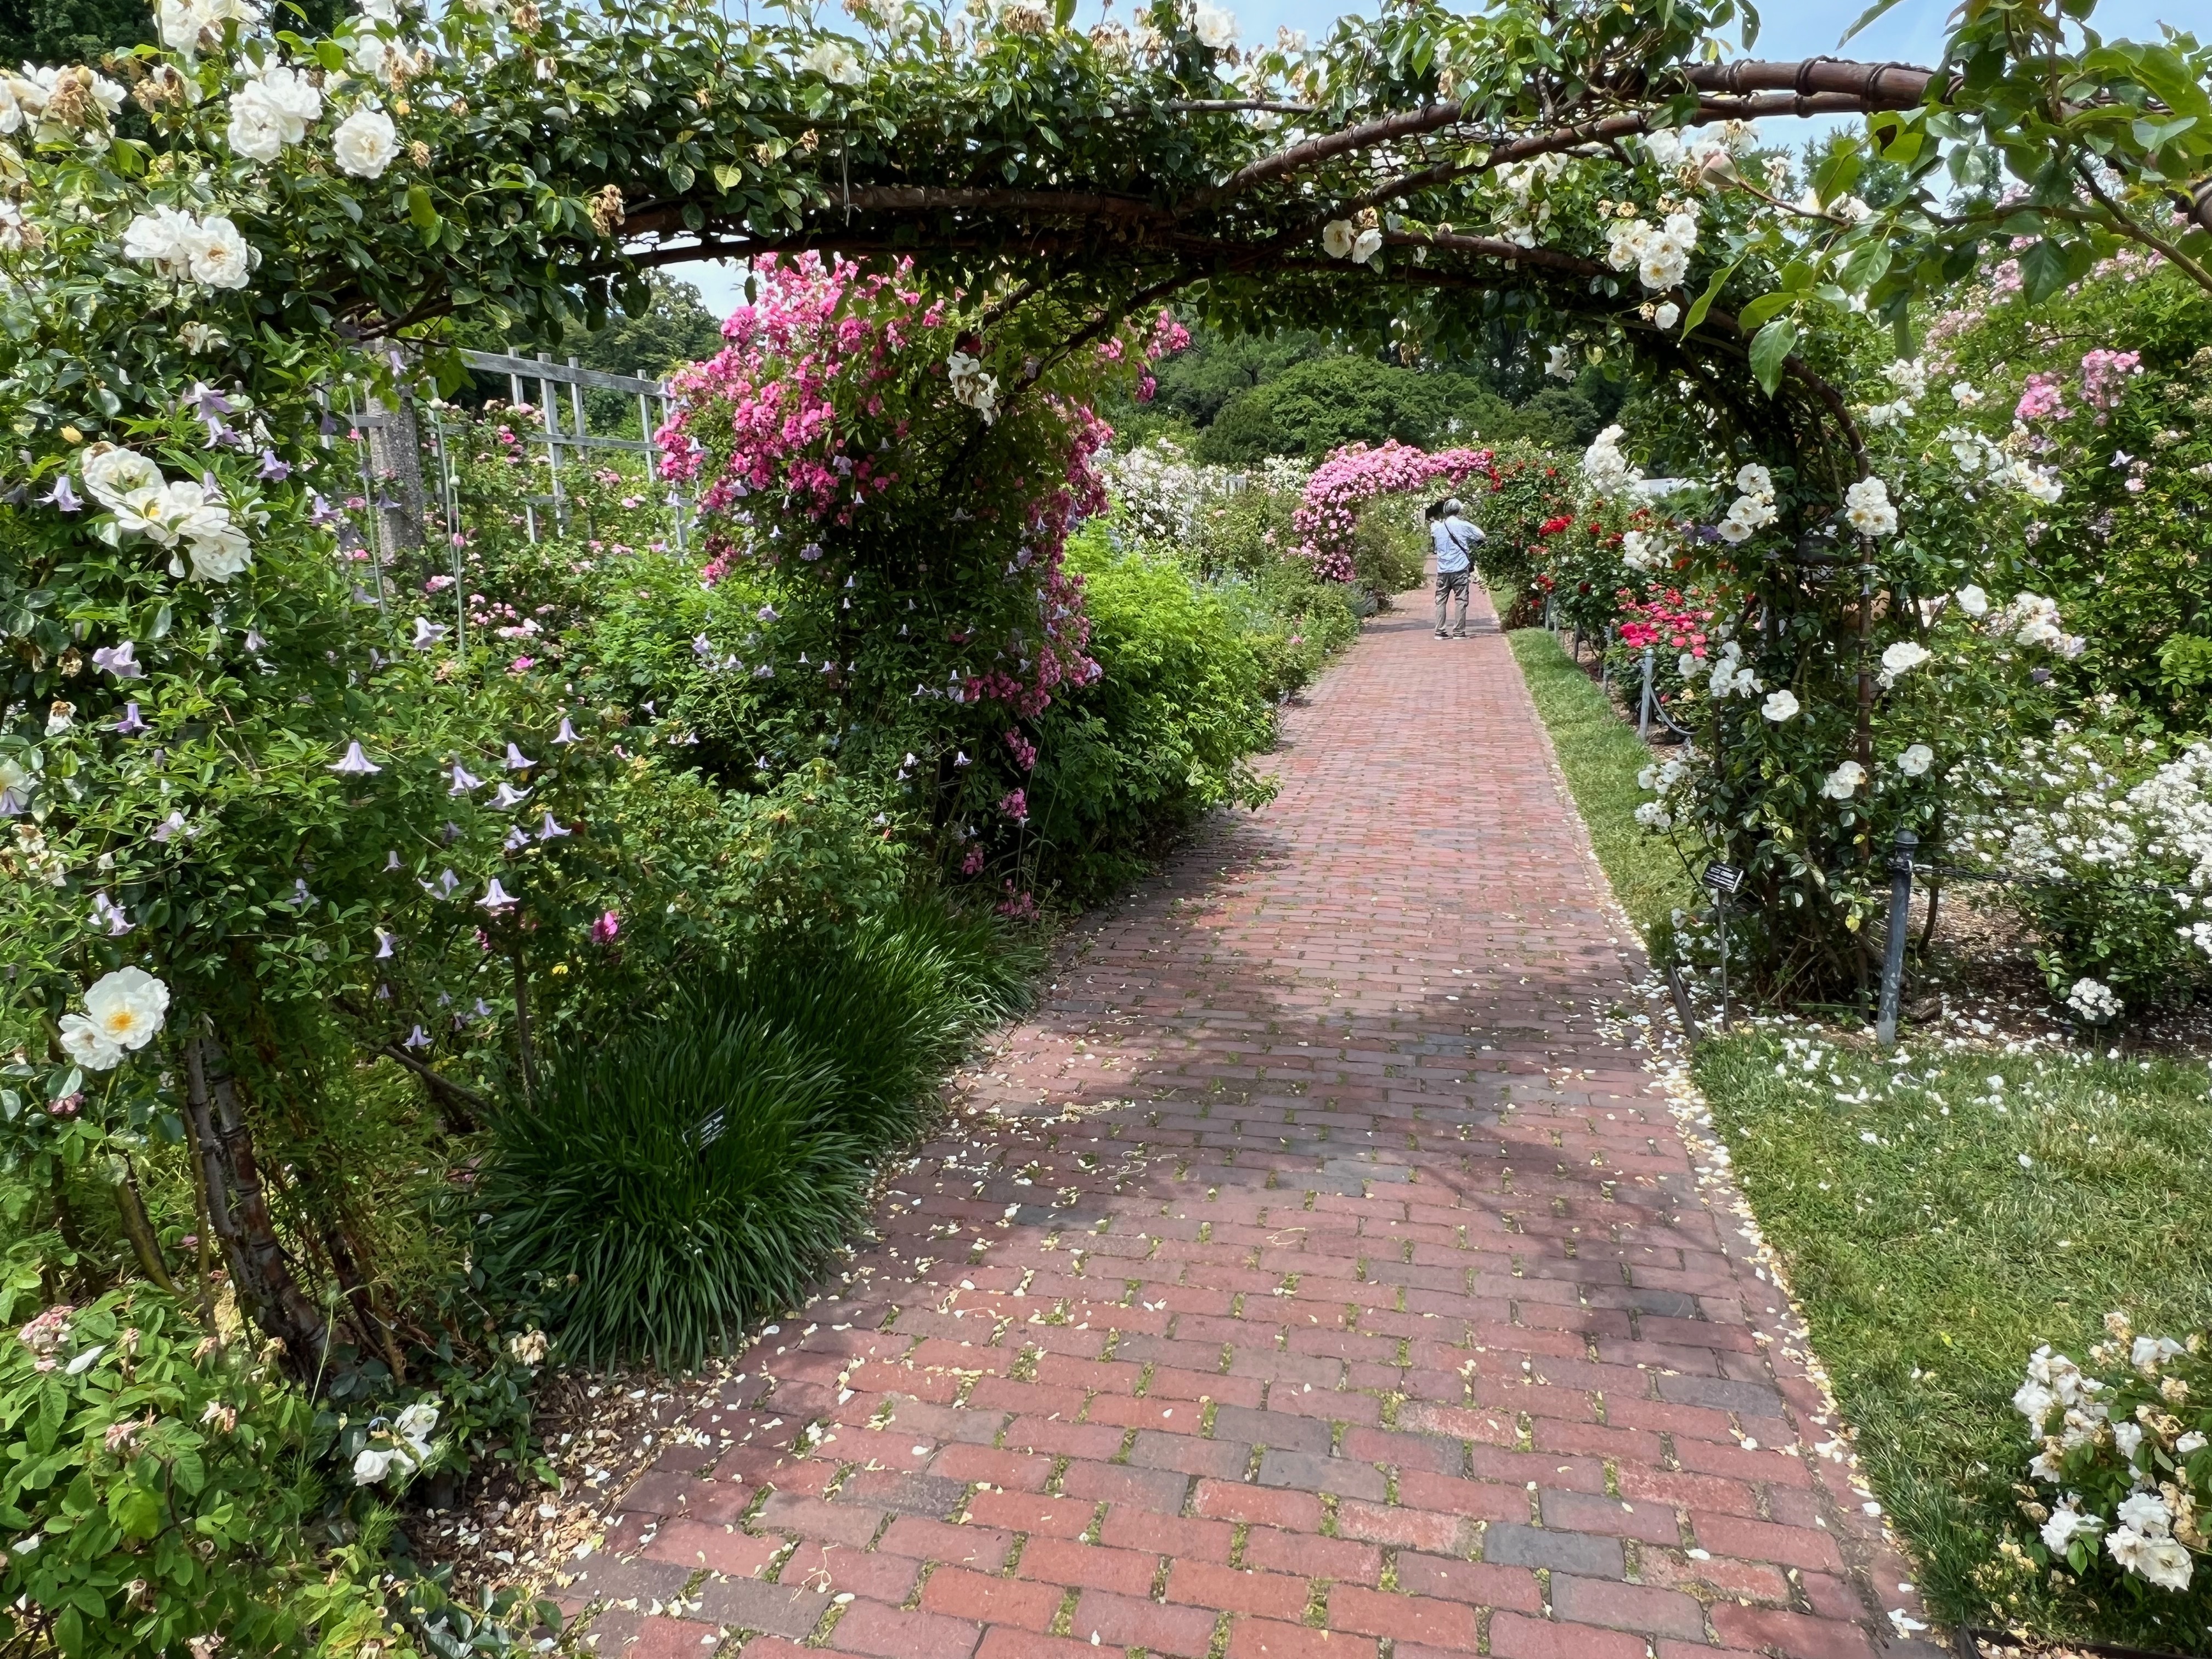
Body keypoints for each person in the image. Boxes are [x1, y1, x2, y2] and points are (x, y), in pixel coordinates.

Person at [1430, 497, 1485, 637]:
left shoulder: (1437, 527)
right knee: (1461, 600)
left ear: (1445, 511)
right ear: (1459, 510)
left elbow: (1435, 546)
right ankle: (1459, 632)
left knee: (1440, 601)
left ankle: (1440, 631)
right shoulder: (1463, 525)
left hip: (1443, 569)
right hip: (1460, 568)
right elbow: (1480, 535)